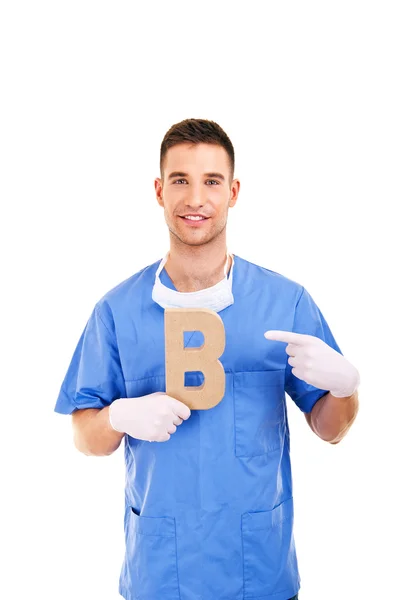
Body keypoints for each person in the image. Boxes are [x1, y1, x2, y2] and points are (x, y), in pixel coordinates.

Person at [55, 118, 360, 600]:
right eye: (180, 180)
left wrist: (346, 390)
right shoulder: (116, 311)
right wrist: (116, 416)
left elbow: (331, 428)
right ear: (159, 190)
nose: (195, 198)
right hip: (160, 573)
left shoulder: (286, 303)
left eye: (211, 181)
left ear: (233, 191)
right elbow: (85, 436)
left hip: (258, 570)